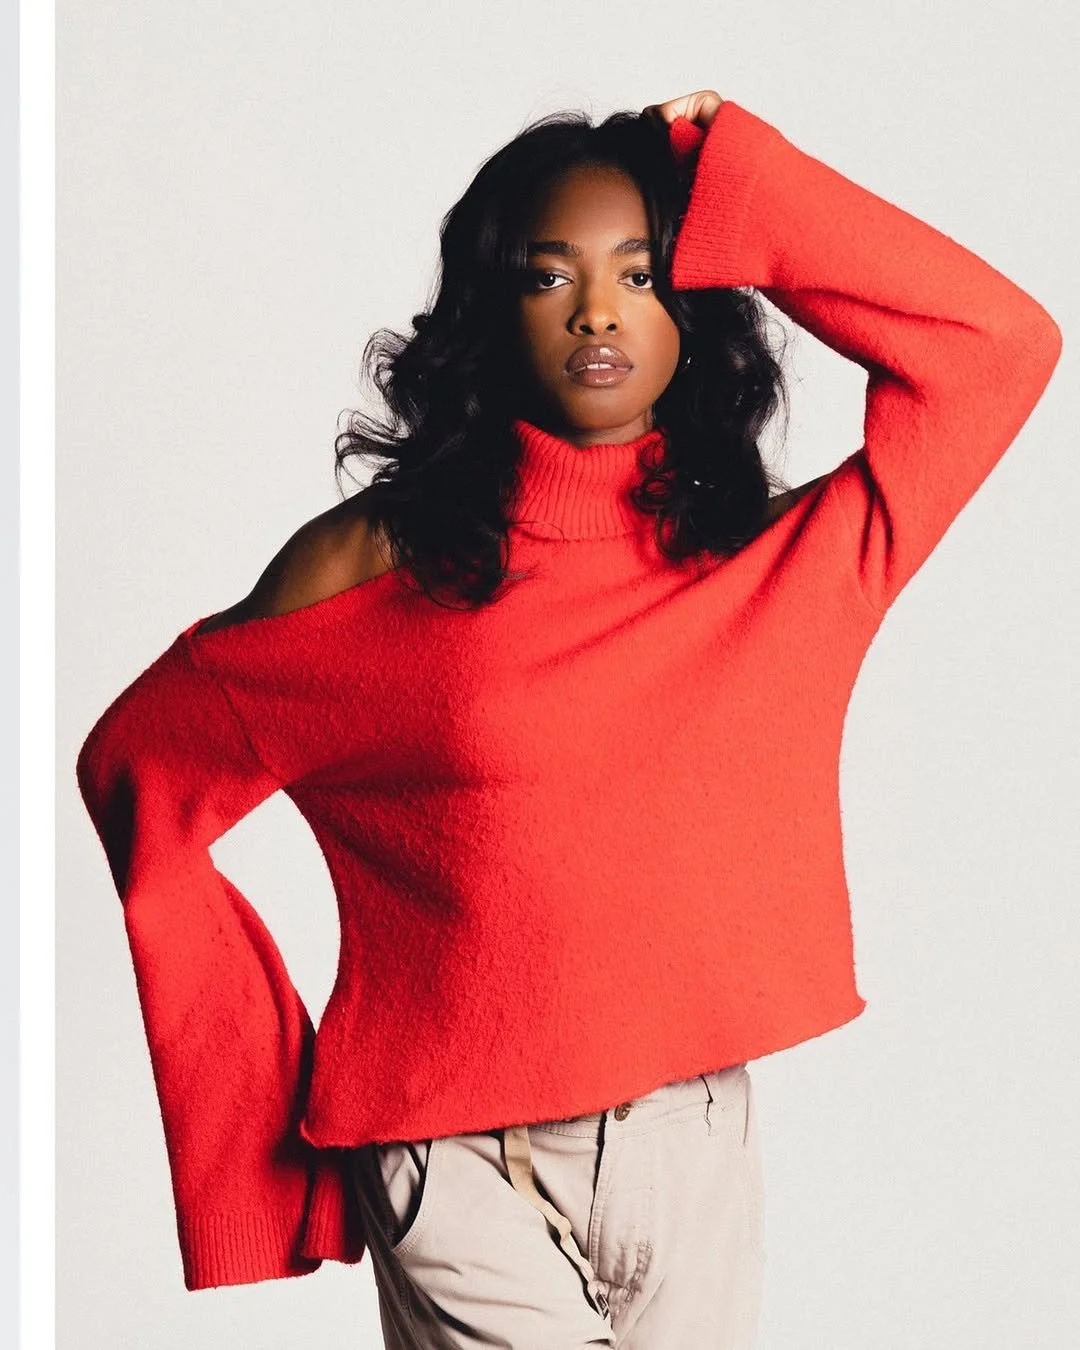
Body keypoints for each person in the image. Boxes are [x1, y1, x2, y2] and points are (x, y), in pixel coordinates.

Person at [75, 87, 1062, 1349]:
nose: (598, 310)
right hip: (454, 1167)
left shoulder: (784, 563)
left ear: (696, 307)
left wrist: (739, 180)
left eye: (643, 274)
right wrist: (245, 1126)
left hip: (687, 1145)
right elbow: (139, 770)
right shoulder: (380, 563)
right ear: (494, 316)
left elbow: (999, 345)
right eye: (551, 278)